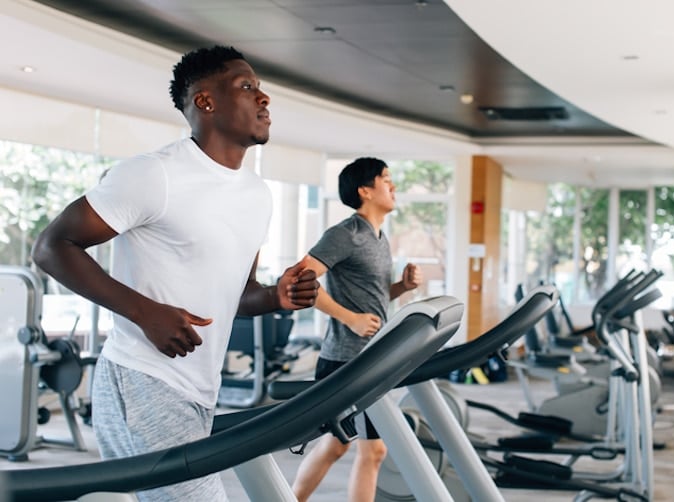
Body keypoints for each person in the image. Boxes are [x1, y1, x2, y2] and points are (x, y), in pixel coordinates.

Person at [32, 45, 319, 502]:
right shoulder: (153, 175)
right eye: (247, 87)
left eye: (261, 90)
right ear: (205, 101)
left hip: (202, 388)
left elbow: (237, 294)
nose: (264, 99)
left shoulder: (256, 195)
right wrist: (145, 313)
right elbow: (52, 247)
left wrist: (274, 297)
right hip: (142, 378)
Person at [291, 157, 423, 502]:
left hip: (372, 357)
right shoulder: (345, 234)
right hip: (345, 360)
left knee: (347, 447)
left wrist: (401, 288)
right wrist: (349, 318)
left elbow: (373, 297)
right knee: (360, 449)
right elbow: (298, 280)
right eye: (386, 180)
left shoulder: (379, 238)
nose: (393, 187)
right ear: (365, 190)